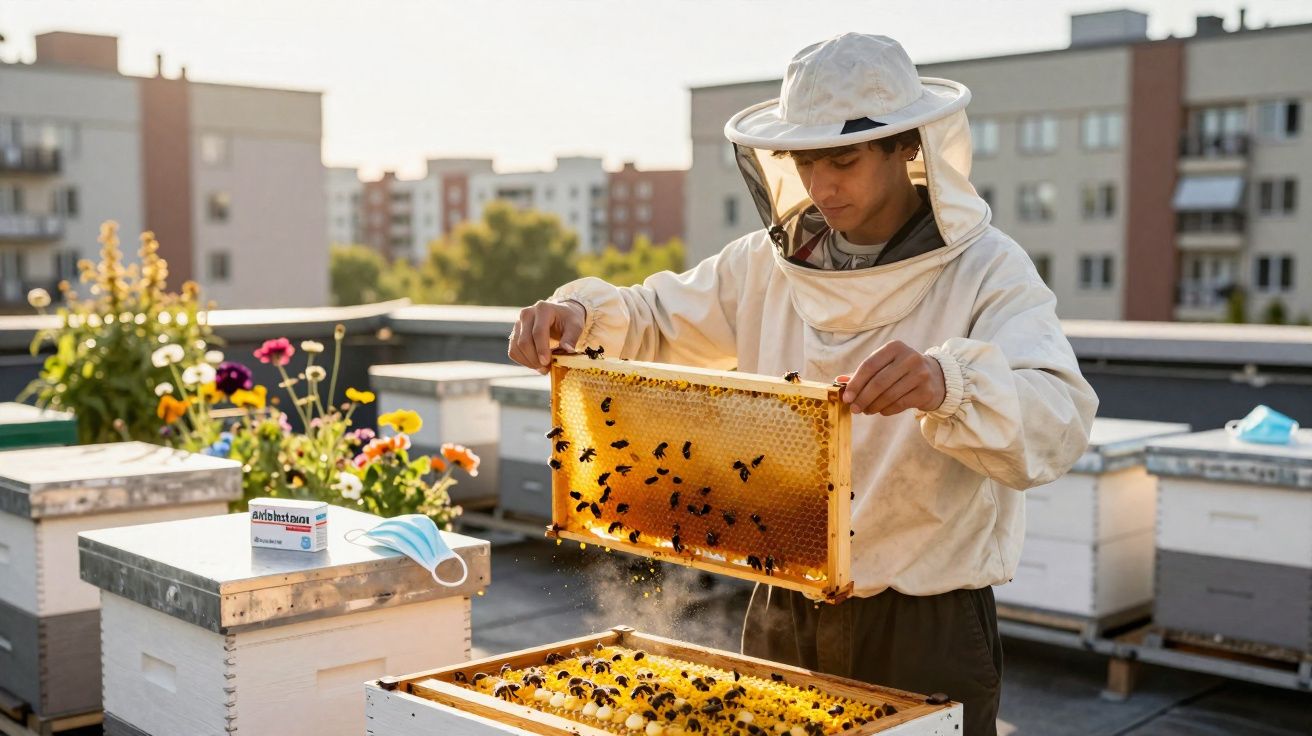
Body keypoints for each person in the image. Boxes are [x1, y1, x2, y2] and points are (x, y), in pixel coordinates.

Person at [508, 32, 1098, 735]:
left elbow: (1059, 419)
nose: (822, 186)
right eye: (805, 161)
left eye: (843, 160)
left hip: (925, 622)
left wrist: (949, 382)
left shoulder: (987, 271)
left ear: (907, 146)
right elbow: (654, 320)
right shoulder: (762, 266)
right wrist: (577, 315)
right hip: (783, 598)